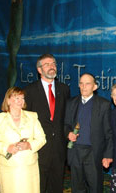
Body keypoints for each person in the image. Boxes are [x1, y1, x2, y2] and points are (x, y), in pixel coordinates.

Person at [24, 53, 70, 193]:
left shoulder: (64, 89)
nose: (52, 67)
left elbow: (66, 118)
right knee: (39, 186)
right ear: (39, 70)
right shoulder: (29, 91)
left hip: (59, 149)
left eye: (54, 64)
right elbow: (26, 121)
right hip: (39, 149)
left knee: (56, 186)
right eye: (47, 64)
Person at [64, 73, 113, 193]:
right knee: (77, 187)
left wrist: (108, 155)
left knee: (95, 187)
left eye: (87, 83)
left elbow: (108, 132)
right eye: (81, 83)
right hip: (75, 151)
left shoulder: (104, 104)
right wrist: (68, 133)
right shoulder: (71, 103)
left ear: (94, 87)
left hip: (93, 152)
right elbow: (66, 125)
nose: (83, 86)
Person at [0, 87, 46, 193]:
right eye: (17, 98)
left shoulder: (32, 117)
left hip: (29, 168)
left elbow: (42, 138)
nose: (21, 101)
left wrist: (29, 145)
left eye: (22, 98)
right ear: (8, 100)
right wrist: (6, 148)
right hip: (8, 169)